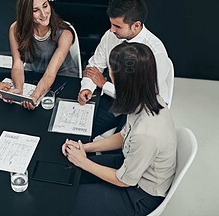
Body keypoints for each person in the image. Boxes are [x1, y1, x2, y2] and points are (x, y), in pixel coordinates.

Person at [63, 42, 176, 216]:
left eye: (112, 75)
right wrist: (84, 148)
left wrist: (83, 162)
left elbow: (125, 181)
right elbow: (124, 135)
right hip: (130, 163)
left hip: (139, 194)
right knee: (69, 173)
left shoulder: (147, 133)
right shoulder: (149, 99)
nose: (108, 77)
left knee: (68, 201)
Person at [78, 0, 171, 138]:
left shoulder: (155, 52)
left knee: (123, 148)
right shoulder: (111, 36)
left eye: (117, 26)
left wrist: (103, 84)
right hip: (114, 97)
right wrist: (87, 87)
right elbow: (94, 67)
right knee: (82, 131)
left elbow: (141, 96)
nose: (111, 30)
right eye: (111, 24)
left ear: (136, 25)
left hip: (143, 106)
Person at [8, 0, 79, 109]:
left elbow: (50, 73)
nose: (43, 14)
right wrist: (19, 89)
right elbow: (17, 64)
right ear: (27, 13)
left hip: (63, 77)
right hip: (35, 75)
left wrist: (35, 96)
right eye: (35, 10)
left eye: (45, 6)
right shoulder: (15, 29)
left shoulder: (65, 33)